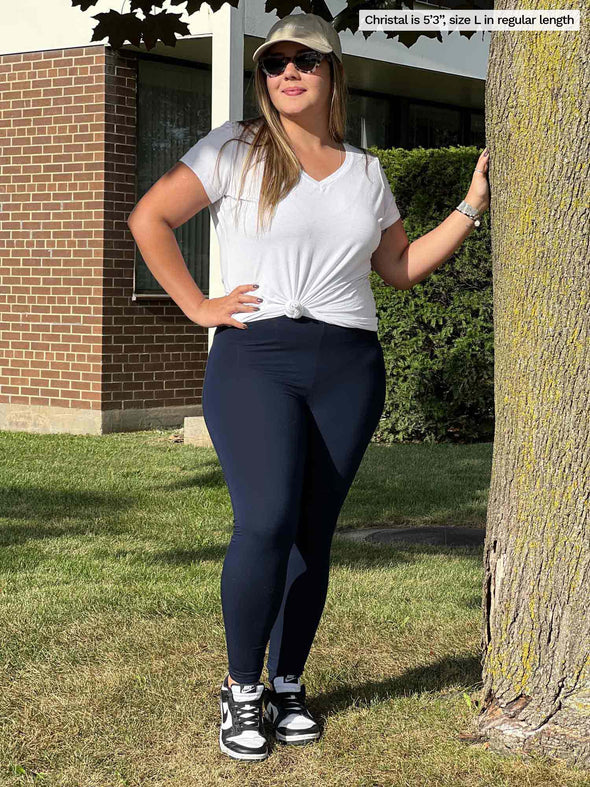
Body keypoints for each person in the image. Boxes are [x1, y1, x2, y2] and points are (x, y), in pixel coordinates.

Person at [127, 12, 490, 763]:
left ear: (333, 74)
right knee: (264, 520)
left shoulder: (366, 171)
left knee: (311, 532)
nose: (288, 72)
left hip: (349, 365)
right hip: (256, 356)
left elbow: (399, 266)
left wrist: (471, 205)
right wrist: (198, 305)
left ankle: (288, 682)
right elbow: (151, 218)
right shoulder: (232, 147)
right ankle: (241, 688)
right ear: (263, 79)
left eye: (306, 61)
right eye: (274, 63)